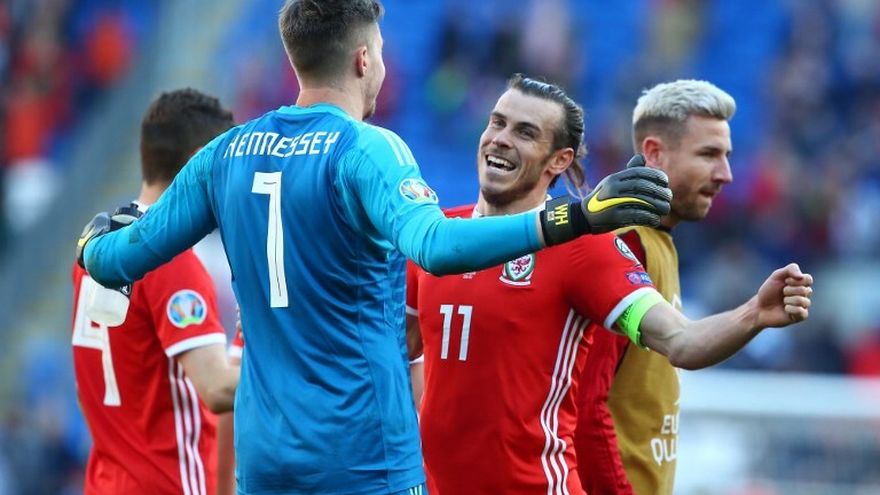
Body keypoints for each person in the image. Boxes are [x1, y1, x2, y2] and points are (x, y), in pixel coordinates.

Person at [75, 1, 672, 493]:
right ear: (364, 59)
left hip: (267, 461)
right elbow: (435, 244)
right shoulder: (368, 149)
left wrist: (92, 241)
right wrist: (575, 216)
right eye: (381, 52)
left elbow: (115, 259)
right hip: (363, 460)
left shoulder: (224, 153)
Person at [406, 75, 813, 495]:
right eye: (497, 122)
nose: (501, 139)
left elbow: (680, 341)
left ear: (559, 160)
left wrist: (753, 314)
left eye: (525, 132)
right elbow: (401, 354)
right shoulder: (437, 239)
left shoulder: (584, 250)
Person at [574, 80, 743, 495]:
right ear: (654, 153)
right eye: (709, 154)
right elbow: (586, 406)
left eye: (726, 156)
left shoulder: (657, 239)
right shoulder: (626, 244)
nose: (725, 174)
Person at [71, 88, 240, 495]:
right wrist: (300, 367)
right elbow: (217, 388)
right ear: (200, 161)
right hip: (167, 483)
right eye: (226, 165)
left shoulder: (97, 250)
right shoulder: (170, 260)